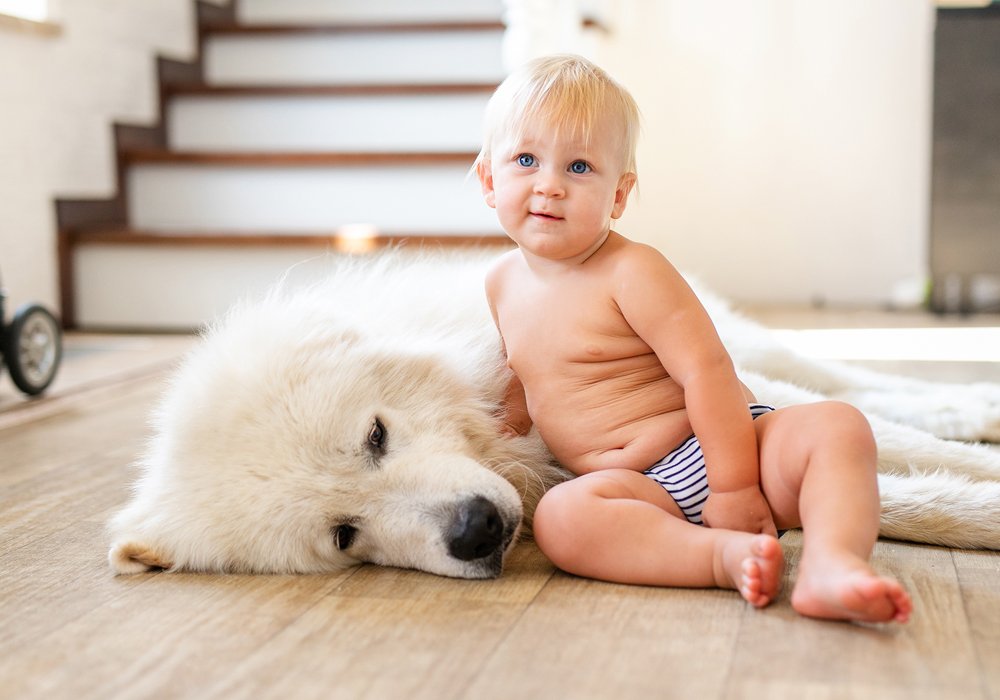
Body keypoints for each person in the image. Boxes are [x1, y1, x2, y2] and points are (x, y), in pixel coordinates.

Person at [474, 54, 911, 624]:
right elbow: (521, 371)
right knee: (562, 518)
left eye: (579, 167)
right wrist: (501, 429)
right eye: (527, 160)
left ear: (619, 194)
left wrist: (733, 485)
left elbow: (707, 370)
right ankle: (718, 557)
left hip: (724, 447)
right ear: (489, 180)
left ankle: (833, 562)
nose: (550, 185)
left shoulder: (632, 270)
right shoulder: (500, 282)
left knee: (837, 426)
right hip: (636, 489)